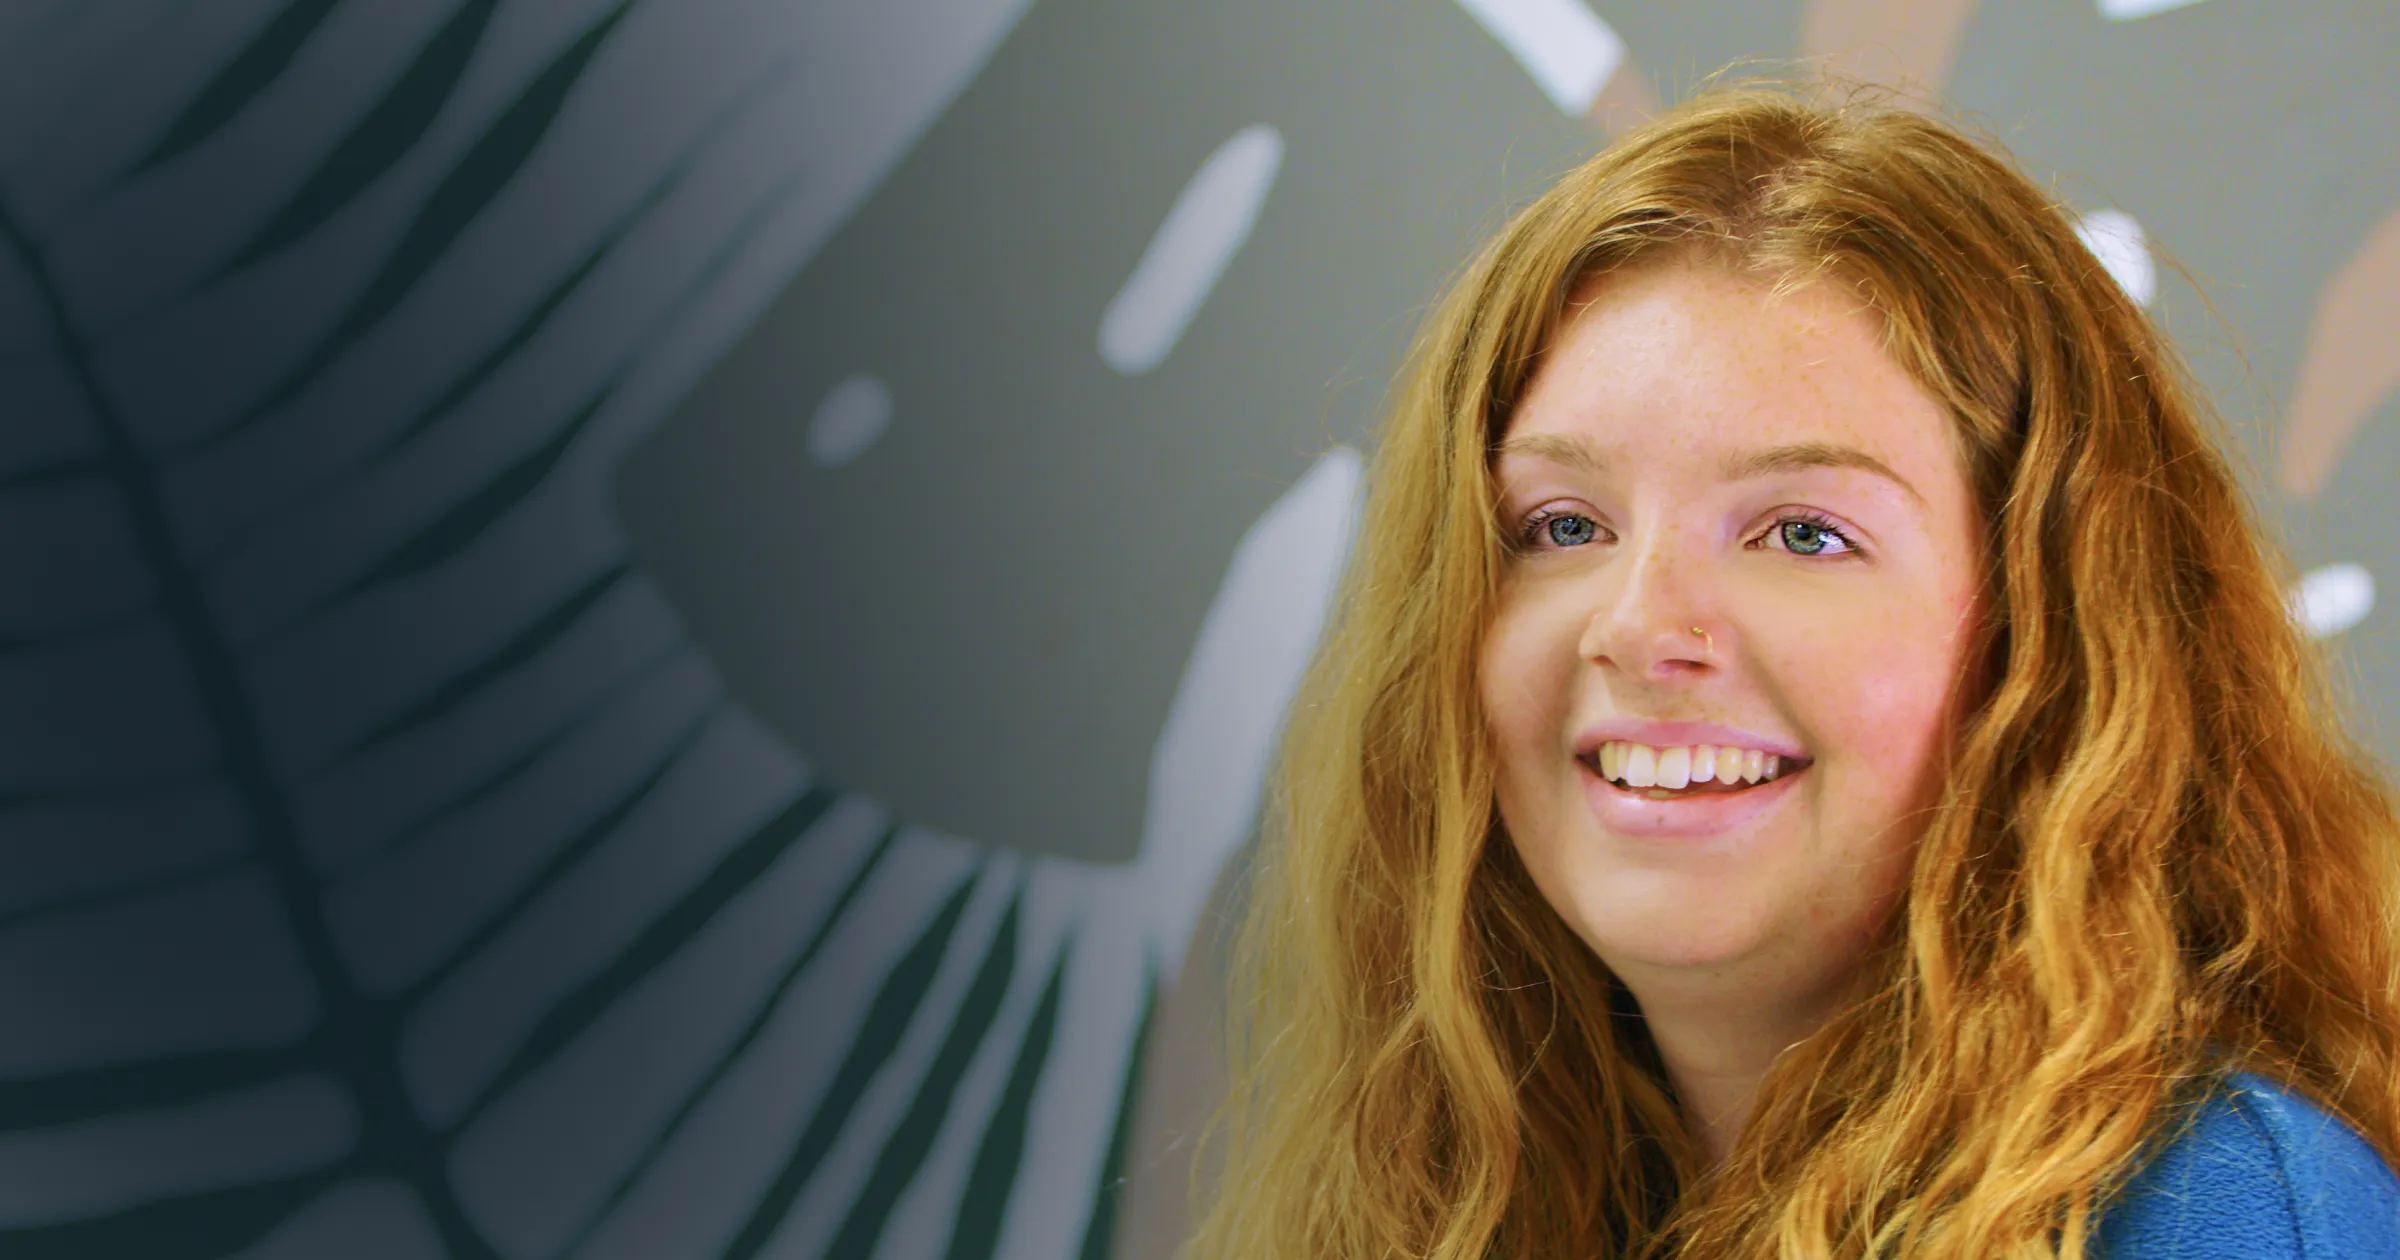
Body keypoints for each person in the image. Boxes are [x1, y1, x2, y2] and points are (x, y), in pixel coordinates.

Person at [1185, 85, 2400, 1259]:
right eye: (1562, 525)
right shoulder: (1496, 1182)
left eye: (1804, 533)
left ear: (2054, 641)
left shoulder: (2224, 1217)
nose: (1638, 624)